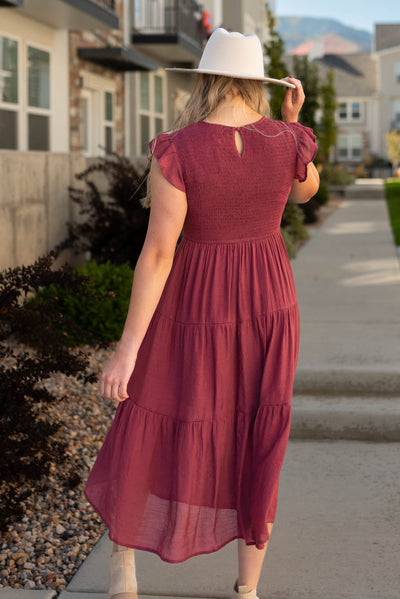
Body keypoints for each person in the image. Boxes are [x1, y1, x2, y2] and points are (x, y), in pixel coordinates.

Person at [84, 28, 319, 599]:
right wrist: (293, 121)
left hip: (196, 296)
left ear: (208, 80)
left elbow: (160, 251)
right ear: (257, 82)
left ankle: (124, 564)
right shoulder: (288, 138)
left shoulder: (179, 148)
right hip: (270, 302)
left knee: (153, 409)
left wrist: (127, 349)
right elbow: (305, 193)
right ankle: (247, 590)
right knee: (258, 432)